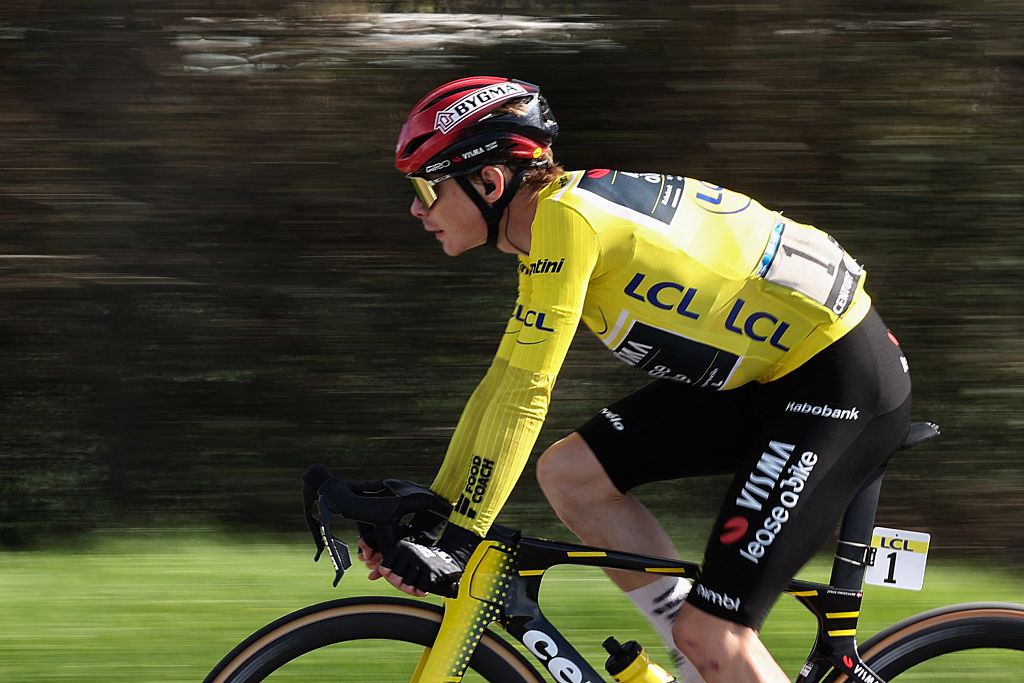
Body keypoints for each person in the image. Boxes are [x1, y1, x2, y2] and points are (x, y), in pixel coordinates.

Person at [357, 76, 912, 683]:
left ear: (490, 183)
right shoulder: (551, 227)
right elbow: (504, 381)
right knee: (572, 475)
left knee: (715, 633)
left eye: (426, 187)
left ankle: (708, 651)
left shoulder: (570, 225)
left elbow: (527, 394)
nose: (416, 207)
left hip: (837, 384)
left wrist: (461, 534)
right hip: (771, 375)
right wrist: (440, 512)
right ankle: (698, 664)